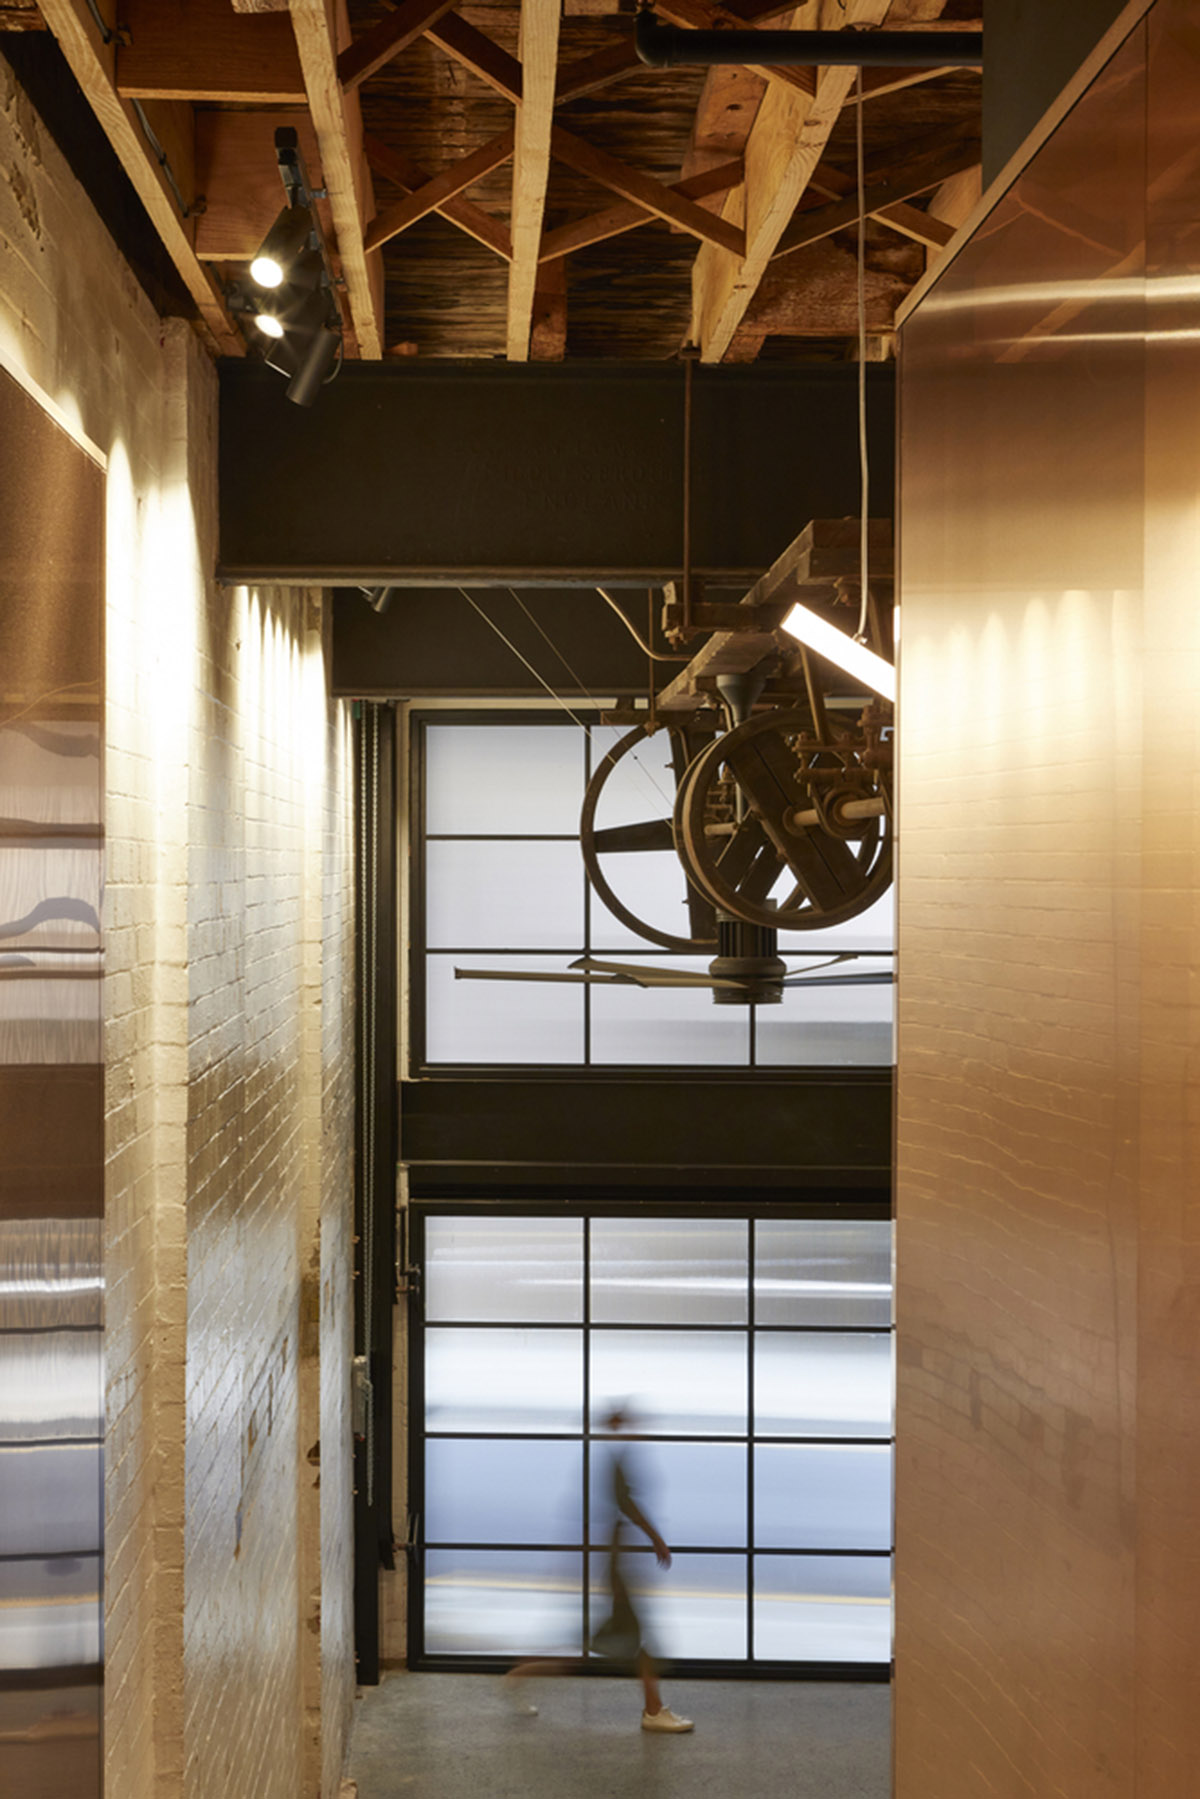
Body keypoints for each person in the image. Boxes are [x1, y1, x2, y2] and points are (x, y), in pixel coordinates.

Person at [504, 1406, 694, 1734]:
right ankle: (653, 1712)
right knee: (639, 1645)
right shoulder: (613, 1459)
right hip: (619, 1570)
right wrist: (656, 1539)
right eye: (628, 1421)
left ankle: (519, 1677)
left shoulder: (610, 1457)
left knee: (597, 1649)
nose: (637, 1427)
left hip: (619, 1568)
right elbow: (625, 1504)